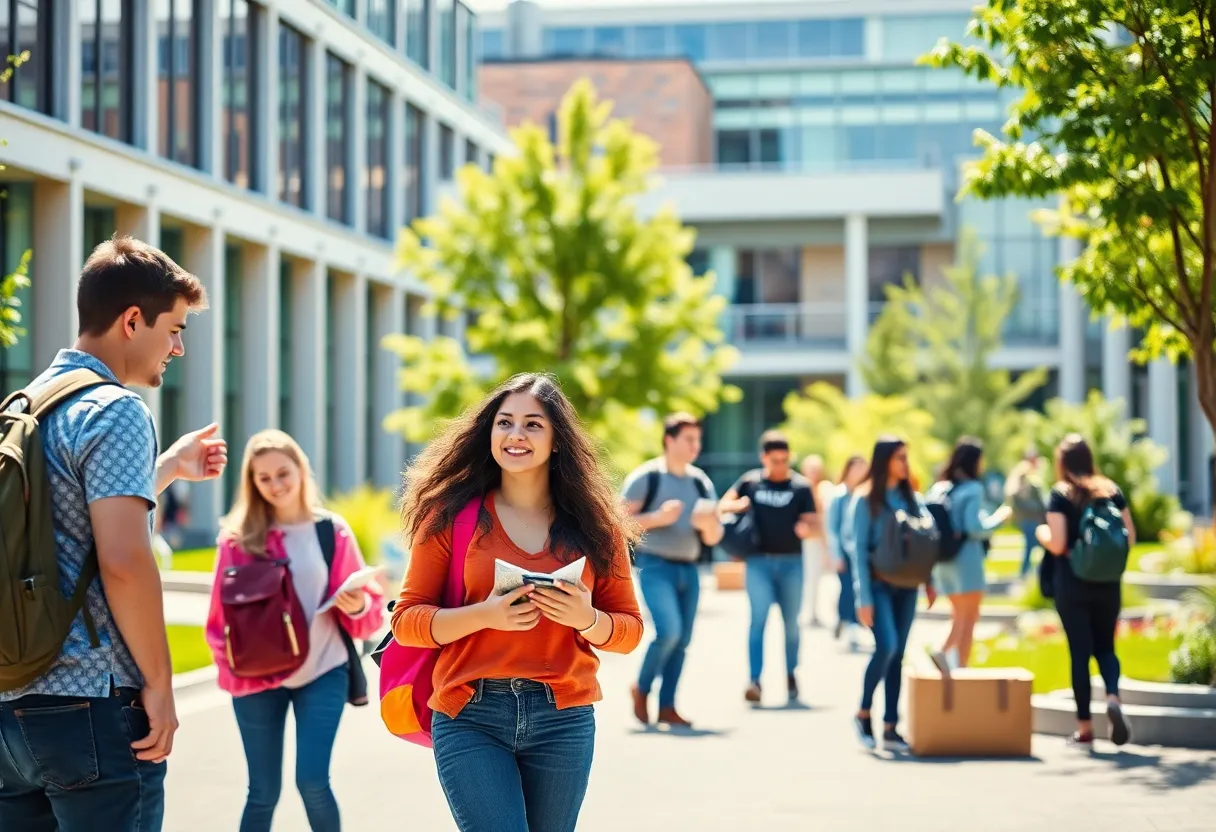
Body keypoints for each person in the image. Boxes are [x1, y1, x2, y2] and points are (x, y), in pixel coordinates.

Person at [0, 237, 227, 831]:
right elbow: (124, 559)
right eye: (174, 329)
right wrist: (160, 684)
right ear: (132, 321)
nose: (177, 347)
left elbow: (65, 516)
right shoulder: (116, 409)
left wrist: (171, 465)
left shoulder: (25, 407)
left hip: (11, 704)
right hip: (91, 703)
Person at [391, 373, 643, 832]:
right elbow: (407, 621)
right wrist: (484, 615)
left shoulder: (596, 525)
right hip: (470, 714)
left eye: (532, 425)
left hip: (563, 718)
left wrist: (586, 619)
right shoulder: (450, 515)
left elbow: (628, 632)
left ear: (557, 441)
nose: (515, 435)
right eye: (504, 423)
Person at [204, 430, 384, 831]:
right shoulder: (237, 541)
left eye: (282, 473)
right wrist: (231, 671)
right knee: (262, 791)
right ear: (252, 483)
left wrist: (358, 606)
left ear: (301, 470)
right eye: (263, 478)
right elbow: (218, 621)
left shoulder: (331, 531)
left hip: (323, 671)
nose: (275, 485)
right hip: (255, 679)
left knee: (313, 781)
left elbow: (369, 612)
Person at [621, 412, 722, 727]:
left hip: (689, 568)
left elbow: (715, 535)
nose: (696, 445)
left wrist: (708, 526)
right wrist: (656, 518)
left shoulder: (700, 482)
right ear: (669, 440)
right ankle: (642, 687)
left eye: (698, 439)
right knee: (668, 631)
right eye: (688, 439)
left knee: (683, 639)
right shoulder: (646, 477)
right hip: (654, 564)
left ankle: (667, 706)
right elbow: (616, 524)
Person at [1035, 434, 1135, 749]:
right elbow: (1130, 537)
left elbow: (1059, 542)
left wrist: (1041, 533)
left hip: (1072, 582)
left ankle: (1085, 729)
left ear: (1061, 463)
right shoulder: (1111, 490)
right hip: (1108, 584)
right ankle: (1114, 697)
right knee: (1106, 647)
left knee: (1080, 652)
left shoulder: (1062, 493)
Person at [844, 436, 935, 753]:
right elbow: (856, 551)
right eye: (899, 457)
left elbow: (926, 539)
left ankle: (891, 727)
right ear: (884, 461)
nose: (904, 463)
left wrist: (930, 579)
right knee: (887, 646)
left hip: (907, 587)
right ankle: (863, 712)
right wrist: (862, 597)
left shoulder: (912, 497)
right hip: (878, 585)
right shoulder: (865, 499)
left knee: (899, 654)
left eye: (906, 457)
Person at [720, 431, 818, 704]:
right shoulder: (750, 482)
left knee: (791, 625)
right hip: (759, 562)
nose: (780, 466)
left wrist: (806, 528)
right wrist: (738, 505)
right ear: (764, 457)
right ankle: (754, 680)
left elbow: (814, 521)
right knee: (758, 621)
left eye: (785, 460)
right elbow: (723, 504)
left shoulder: (801, 487)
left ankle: (790, 673)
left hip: (791, 564)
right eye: (774, 460)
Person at [927, 437, 1011, 672]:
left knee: (961, 613)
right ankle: (948, 655)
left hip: (942, 561)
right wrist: (999, 518)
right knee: (968, 617)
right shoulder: (973, 489)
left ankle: (953, 663)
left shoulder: (939, 487)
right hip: (966, 559)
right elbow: (975, 528)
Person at [826, 455, 868, 651]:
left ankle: (847, 620)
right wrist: (836, 555)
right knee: (848, 589)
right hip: (844, 550)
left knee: (858, 588)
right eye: (856, 467)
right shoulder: (838, 496)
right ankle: (849, 624)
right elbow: (832, 528)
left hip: (862, 550)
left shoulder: (866, 493)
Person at [798, 454, 834, 628]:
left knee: (816, 578)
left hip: (816, 540)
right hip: (800, 541)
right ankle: (805, 612)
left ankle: (813, 612)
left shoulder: (822, 489)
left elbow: (824, 516)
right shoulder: (798, 487)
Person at [1006, 449, 1048, 579]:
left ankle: (1029, 574)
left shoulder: (1023, 480)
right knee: (1035, 547)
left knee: (1033, 548)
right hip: (1032, 520)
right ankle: (1026, 575)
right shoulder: (1026, 479)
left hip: (1027, 520)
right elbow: (1039, 503)